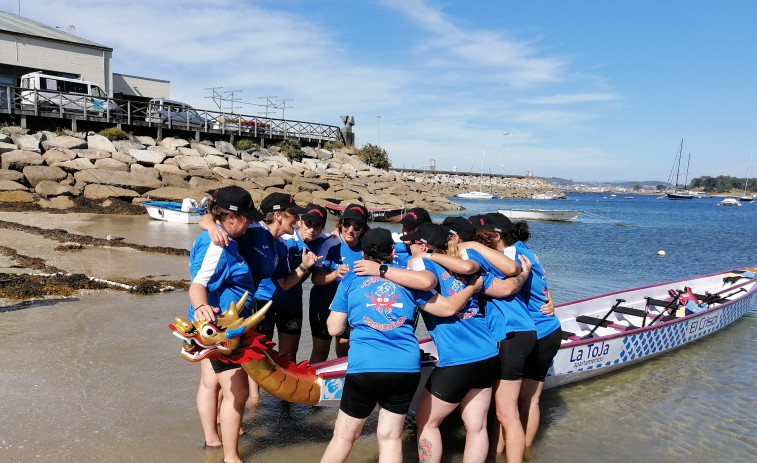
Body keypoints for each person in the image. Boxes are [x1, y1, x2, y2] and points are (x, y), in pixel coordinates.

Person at [320, 228, 484, 463]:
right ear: (392, 254)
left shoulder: (350, 280)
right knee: (390, 437)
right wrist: (471, 289)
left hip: (366, 366)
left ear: (364, 253)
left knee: (345, 436)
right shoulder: (408, 281)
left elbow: (334, 328)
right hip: (405, 367)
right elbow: (447, 308)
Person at [398, 223, 532, 463]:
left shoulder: (422, 265)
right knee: (476, 425)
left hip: (458, 360)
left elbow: (439, 302)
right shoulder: (468, 269)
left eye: (410, 244)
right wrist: (523, 273)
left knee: (426, 421)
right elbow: (506, 288)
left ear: (422, 246)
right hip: (488, 354)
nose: (408, 248)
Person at [188, 185, 263, 463]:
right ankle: (231, 457)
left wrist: (209, 223)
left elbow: (206, 218)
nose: (251, 222)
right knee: (238, 392)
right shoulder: (218, 243)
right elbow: (197, 284)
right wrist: (201, 306)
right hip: (219, 331)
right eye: (247, 217)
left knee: (210, 383)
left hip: (211, 330)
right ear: (231, 218)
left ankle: (212, 442)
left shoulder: (221, 235)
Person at [471, 213, 538, 462]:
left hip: (511, 335)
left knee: (506, 413)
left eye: (479, 235)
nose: (475, 238)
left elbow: (509, 284)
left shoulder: (500, 260)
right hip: (522, 332)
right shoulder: (507, 256)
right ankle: (494, 454)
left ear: (495, 237)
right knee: (500, 412)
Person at [502, 220, 562, 450]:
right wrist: (550, 298)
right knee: (530, 399)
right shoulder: (525, 251)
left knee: (523, 400)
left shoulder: (513, 254)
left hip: (537, 332)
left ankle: (520, 449)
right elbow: (539, 285)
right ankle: (525, 451)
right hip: (547, 328)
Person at [253, 203, 329, 362]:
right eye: (309, 224)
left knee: (288, 357)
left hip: (291, 302)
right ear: (299, 221)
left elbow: (341, 236)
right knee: (260, 354)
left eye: (317, 226)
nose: (312, 229)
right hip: (264, 300)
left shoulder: (322, 241)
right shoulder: (284, 239)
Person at [310, 203, 369, 363]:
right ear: (341, 224)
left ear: (363, 229)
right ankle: (313, 387)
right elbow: (315, 278)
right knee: (321, 352)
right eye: (347, 224)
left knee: (345, 352)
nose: (351, 230)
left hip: (350, 308)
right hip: (322, 305)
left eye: (357, 226)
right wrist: (335, 274)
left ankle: (344, 386)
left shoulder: (366, 248)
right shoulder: (330, 244)